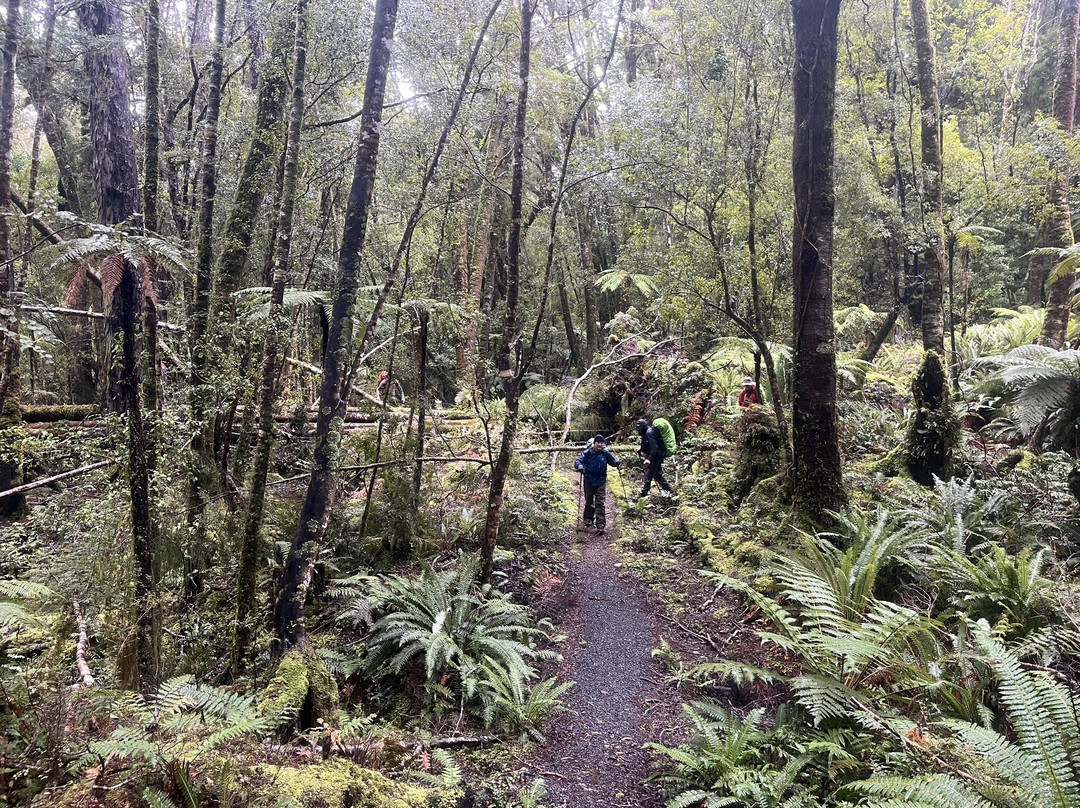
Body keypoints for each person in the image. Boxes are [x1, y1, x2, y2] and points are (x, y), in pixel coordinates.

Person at [574, 435, 620, 534]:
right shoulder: (588, 453)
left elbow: (613, 461)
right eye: (598, 442)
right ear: (594, 443)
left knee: (600, 502)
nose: (600, 444)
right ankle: (588, 519)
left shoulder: (605, 453)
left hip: (601, 480)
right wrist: (580, 466)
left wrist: (617, 463)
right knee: (589, 500)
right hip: (589, 480)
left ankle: (600, 525)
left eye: (601, 442)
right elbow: (577, 461)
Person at [634, 419, 673, 499]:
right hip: (656, 457)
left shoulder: (649, 433)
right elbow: (646, 444)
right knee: (657, 476)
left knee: (648, 476)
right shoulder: (647, 433)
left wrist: (649, 459)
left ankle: (642, 495)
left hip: (656, 457)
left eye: (639, 429)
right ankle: (670, 490)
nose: (638, 431)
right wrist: (641, 449)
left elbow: (654, 448)